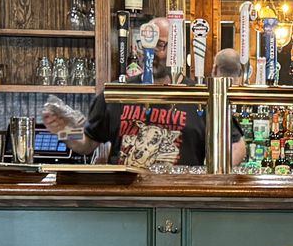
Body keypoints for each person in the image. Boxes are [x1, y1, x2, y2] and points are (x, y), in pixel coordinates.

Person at [43, 47, 248, 169]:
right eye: (147, 45)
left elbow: (236, 144)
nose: (153, 53)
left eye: (161, 45)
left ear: (176, 50)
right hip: (128, 204)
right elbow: (87, 144)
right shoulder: (116, 94)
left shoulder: (200, 96)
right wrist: (63, 130)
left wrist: (210, 178)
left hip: (183, 200)